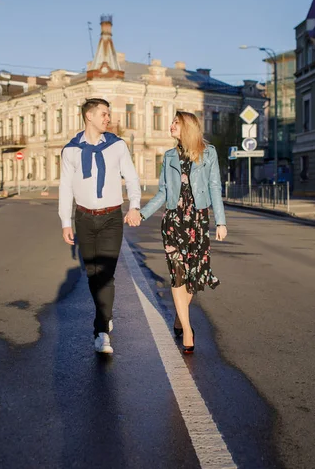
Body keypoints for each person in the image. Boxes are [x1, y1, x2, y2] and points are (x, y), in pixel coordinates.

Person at [136, 111, 227, 354]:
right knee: (178, 274)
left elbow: (215, 187)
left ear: (188, 127)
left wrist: (221, 221)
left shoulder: (209, 153)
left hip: (197, 221)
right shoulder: (168, 156)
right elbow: (163, 193)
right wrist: (142, 213)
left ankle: (180, 317)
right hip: (174, 221)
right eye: (172, 122)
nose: (171, 125)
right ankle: (187, 329)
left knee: (192, 276)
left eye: (176, 122)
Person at [59, 98, 141, 354]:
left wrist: (135, 206)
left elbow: (132, 177)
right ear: (89, 117)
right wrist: (65, 222)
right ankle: (105, 314)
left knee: (105, 275)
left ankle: (101, 330)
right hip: (84, 218)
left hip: (111, 218)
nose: (108, 118)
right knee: (93, 275)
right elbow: (65, 188)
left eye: (109, 114)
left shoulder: (117, 146)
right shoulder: (70, 150)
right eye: (104, 114)